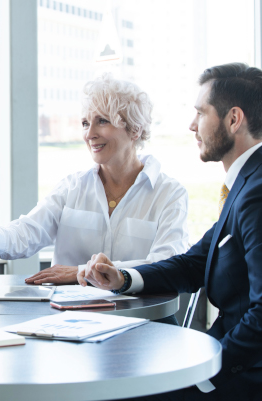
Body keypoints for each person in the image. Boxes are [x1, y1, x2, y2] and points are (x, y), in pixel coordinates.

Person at [80, 63, 262, 400]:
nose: (192, 125)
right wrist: (122, 278)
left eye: (200, 113)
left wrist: (208, 374)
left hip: (241, 376)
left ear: (233, 120)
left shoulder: (257, 193)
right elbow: (194, 264)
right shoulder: (246, 184)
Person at [0, 74, 189, 294]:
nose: (89, 134)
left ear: (135, 129)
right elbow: (25, 234)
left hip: (143, 318)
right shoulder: (72, 187)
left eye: (102, 121)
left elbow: (166, 263)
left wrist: (81, 273)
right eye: (85, 123)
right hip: (73, 320)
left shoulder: (169, 194)